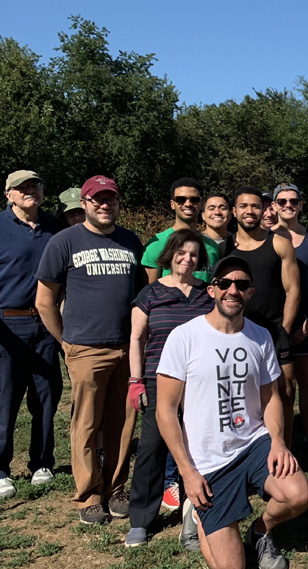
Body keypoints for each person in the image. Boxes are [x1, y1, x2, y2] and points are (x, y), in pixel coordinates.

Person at [156, 256, 308, 569]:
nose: (233, 290)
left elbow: (271, 399)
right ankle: (200, 515)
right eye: (225, 283)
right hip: (209, 461)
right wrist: (187, 472)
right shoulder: (184, 337)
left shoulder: (259, 336)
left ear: (250, 293)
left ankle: (260, 530)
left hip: (254, 443)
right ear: (212, 290)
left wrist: (279, 443)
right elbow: (165, 411)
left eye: (241, 285)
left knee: (298, 496)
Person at [35, 175, 146, 524]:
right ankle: (88, 496)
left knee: (122, 424)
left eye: (110, 199)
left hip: (126, 348)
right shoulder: (64, 241)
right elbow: (44, 300)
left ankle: (115, 489)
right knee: (86, 424)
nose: (104, 205)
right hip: (85, 348)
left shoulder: (130, 241)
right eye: (96, 199)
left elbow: (141, 294)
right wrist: (66, 342)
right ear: (83, 204)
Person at [124, 229, 214, 547]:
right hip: (159, 382)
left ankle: (196, 520)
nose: (187, 258)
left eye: (193, 254)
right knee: (152, 449)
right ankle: (141, 521)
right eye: (181, 252)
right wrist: (135, 381)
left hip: (200, 385)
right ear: (170, 255)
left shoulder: (208, 293)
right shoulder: (150, 294)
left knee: (198, 451)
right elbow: (137, 338)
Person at [0, 170, 62, 500]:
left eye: (35, 186)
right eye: (22, 188)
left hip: (47, 323)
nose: (30, 192)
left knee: (46, 395)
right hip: (8, 323)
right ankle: (1, 469)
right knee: (5, 398)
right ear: (8, 194)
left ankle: (41, 462)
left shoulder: (55, 227)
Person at [223, 187, 300, 446]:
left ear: (265, 210)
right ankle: (250, 449)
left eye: (255, 206)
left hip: (275, 329)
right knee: (244, 393)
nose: (250, 211)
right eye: (243, 206)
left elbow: (293, 290)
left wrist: (284, 330)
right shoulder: (224, 249)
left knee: (286, 390)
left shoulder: (278, 243)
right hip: (237, 332)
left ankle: (286, 449)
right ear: (234, 212)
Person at [271, 182, 308, 442]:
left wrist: (307, 325)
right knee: (279, 384)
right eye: (282, 201)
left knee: (307, 383)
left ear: (301, 205)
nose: (288, 206)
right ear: (274, 205)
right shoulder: (266, 237)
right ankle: (278, 437)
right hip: (274, 323)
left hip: (306, 323)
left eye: (293, 201)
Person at [140, 178, 221, 283]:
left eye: (194, 199)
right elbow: (148, 292)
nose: (188, 204)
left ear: (201, 204)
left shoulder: (212, 246)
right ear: (172, 204)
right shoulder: (156, 244)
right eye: (181, 199)